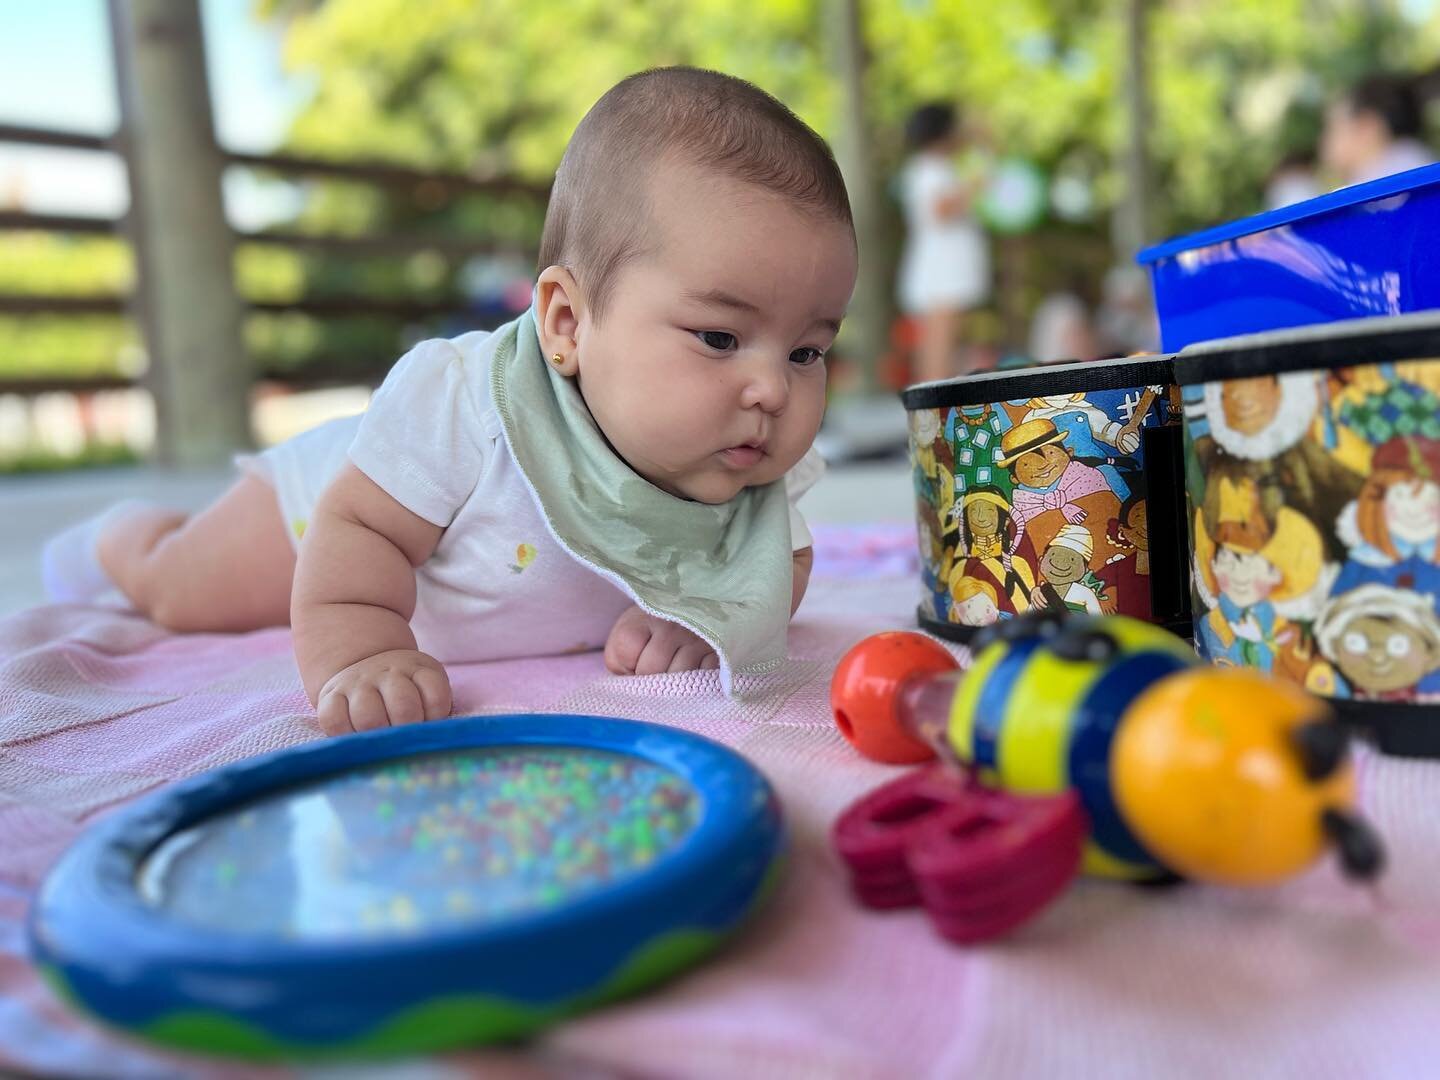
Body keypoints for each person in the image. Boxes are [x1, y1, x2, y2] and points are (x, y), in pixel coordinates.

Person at [40, 67, 857, 736]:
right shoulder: (467, 407)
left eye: (806, 350)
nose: (771, 389)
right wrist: (361, 653)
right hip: (318, 518)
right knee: (184, 595)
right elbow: (359, 527)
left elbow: (781, 561)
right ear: (568, 323)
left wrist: (706, 618)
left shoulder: (750, 458)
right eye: (719, 338)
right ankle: (127, 541)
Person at [895, 103, 990, 384]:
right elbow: (941, 210)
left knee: (948, 349)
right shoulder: (928, 168)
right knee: (938, 349)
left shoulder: (941, 168)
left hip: (948, 274)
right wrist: (975, 182)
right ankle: (932, 414)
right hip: (941, 276)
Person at [1320, 73, 1435, 188]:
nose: (1323, 139)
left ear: (1366, 126)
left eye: (1332, 127)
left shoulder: (1392, 180)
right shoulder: (1415, 162)